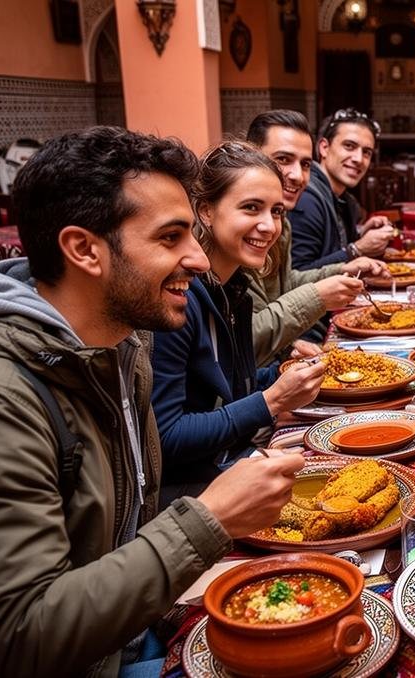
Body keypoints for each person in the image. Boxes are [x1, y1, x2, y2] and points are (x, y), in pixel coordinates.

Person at [0, 127, 304, 676]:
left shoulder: (119, 342)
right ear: (84, 249)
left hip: (133, 635)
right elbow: (21, 637)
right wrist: (210, 519)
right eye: (170, 237)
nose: (198, 259)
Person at [151, 142, 326, 500]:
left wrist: (280, 373)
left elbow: (231, 391)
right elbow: (165, 439)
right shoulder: (178, 297)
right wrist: (271, 401)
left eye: (276, 211)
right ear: (206, 211)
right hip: (191, 495)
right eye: (251, 208)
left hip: (231, 462)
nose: (268, 226)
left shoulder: (235, 289)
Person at [244, 110, 384, 365]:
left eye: (305, 164)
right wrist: (319, 294)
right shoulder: (298, 206)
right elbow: (243, 340)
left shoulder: (281, 222)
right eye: (283, 159)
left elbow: (286, 282)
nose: (297, 175)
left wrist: (343, 268)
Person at [288, 108, 396, 271]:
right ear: (324, 148)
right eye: (349, 146)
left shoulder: (346, 199)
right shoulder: (306, 198)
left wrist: (361, 234)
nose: (359, 159)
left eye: (366, 152)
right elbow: (297, 275)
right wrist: (357, 249)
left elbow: (333, 248)